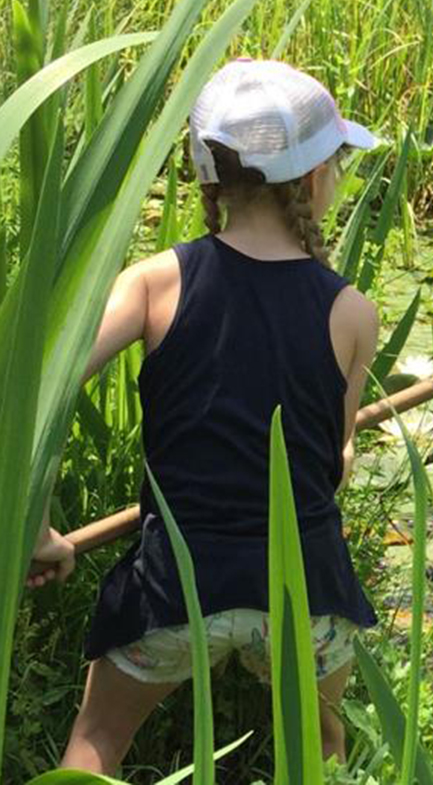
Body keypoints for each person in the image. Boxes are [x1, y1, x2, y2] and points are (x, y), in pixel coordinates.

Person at [26, 59, 382, 774]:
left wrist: (35, 531)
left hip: (176, 585)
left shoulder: (155, 284)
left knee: (96, 742)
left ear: (207, 181)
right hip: (301, 592)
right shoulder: (351, 312)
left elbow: (32, 398)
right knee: (323, 750)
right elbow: (332, 463)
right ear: (314, 182)